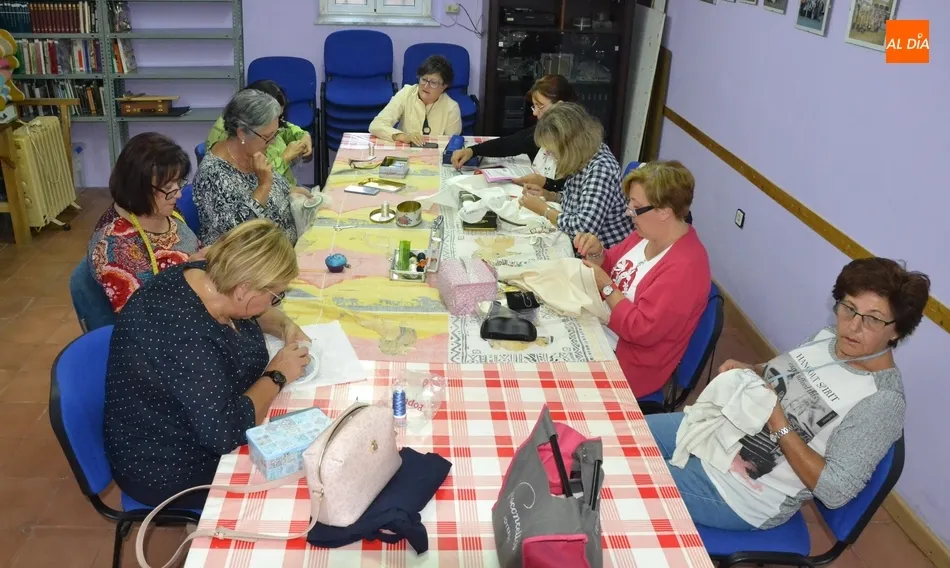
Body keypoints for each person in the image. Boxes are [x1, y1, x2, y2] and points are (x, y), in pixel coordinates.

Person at [645, 257, 930, 531]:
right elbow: (775, 372)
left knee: (629, 482)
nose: (852, 326)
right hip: (719, 429)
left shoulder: (882, 400)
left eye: (872, 319)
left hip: (742, 491)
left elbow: (834, 491)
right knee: (623, 436)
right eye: (849, 308)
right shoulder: (828, 338)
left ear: (897, 332)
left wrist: (779, 424)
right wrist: (752, 369)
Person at [104, 219, 312, 508]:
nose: (275, 302)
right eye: (276, 295)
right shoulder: (184, 332)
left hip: (199, 423)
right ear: (244, 289)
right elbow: (223, 432)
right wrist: (277, 375)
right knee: (303, 477)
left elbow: (248, 312)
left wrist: (284, 326)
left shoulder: (210, 277)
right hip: (165, 465)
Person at [574, 161, 710, 397]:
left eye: (635, 207)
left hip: (629, 365)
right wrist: (597, 252)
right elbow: (611, 263)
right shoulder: (645, 235)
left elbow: (640, 330)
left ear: (664, 212)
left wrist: (606, 287)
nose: (628, 212)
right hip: (603, 333)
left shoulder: (686, 268)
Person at [88, 132, 202, 313]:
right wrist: (190, 272)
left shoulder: (163, 209)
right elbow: (146, 316)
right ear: (138, 187)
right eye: (167, 188)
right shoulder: (114, 247)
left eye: (178, 183)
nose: (178, 194)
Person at [518, 102, 632, 249]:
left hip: (604, 254)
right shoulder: (583, 156)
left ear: (571, 145)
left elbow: (584, 229)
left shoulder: (601, 169)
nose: (550, 155)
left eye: (552, 151)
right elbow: (578, 200)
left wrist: (544, 210)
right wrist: (551, 195)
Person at [192, 89, 299, 246]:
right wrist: (263, 186)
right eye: (268, 137)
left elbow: (279, 190)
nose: (273, 142)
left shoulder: (252, 153)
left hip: (280, 250)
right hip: (245, 262)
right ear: (242, 133)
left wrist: (296, 193)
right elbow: (236, 235)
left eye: (274, 135)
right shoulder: (212, 173)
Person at [450, 74, 577, 194]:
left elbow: (572, 187)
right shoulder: (544, 131)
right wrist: (472, 151)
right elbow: (511, 143)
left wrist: (545, 183)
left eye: (541, 106)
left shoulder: (578, 142)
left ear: (560, 106)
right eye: (534, 106)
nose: (535, 112)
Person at [206, 80, 313, 190]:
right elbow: (253, 183)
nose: (273, 139)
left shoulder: (255, 126)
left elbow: (283, 127)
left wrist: (302, 135)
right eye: (268, 137)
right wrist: (284, 159)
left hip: (283, 187)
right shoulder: (230, 140)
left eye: (280, 117)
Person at [369, 55, 462, 144]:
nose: (426, 86)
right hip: (405, 153)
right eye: (424, 79)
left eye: (433, 83)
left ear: (443, 87)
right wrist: (403, 136)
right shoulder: (406, 93)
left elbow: (452, 145)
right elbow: (376, 125)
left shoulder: (452, 108)